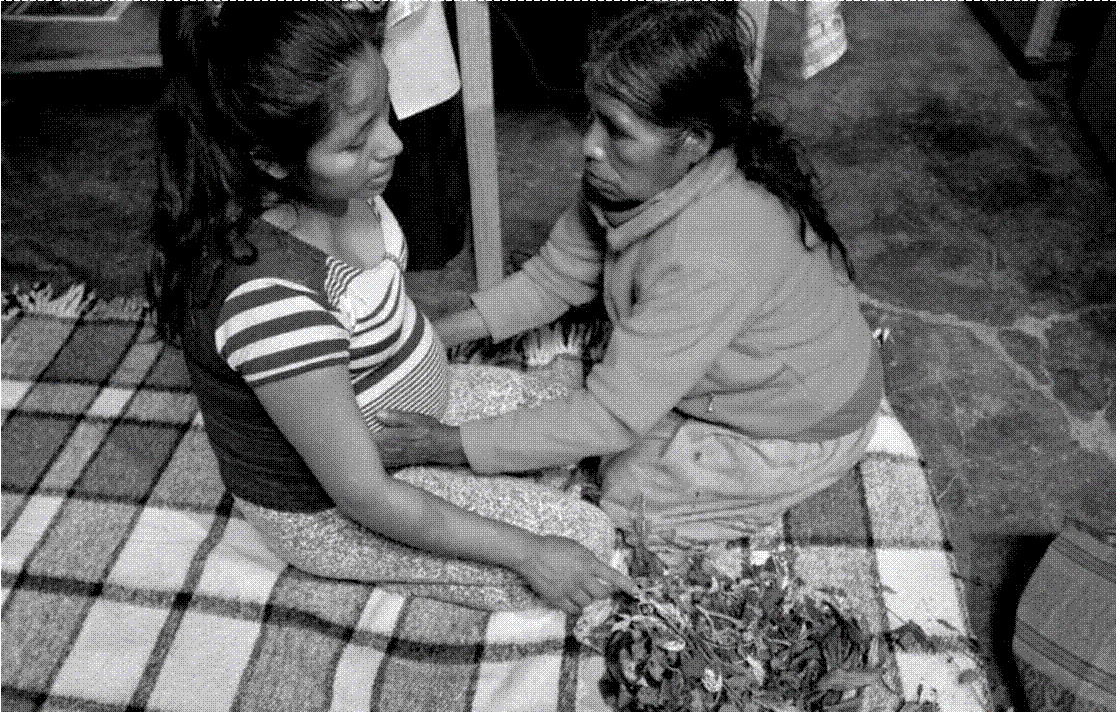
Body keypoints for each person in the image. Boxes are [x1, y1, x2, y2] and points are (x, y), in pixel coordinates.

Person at [146, 1, 635, 614]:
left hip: (406, 417)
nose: (393, 144)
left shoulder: (340, 186)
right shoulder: (272, 302)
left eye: (385, 112)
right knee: (582, 540)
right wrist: (529, 552)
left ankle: (470, 481)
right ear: (271, 160)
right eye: (356, 140)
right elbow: (364, 492)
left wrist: (442, 428)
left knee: (571, 416)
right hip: (335, 505)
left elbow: (378, 313)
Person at [373, 1, 884, 545]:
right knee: (593, 423)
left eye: (617, 131)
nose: (589, 145)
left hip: (800, 426)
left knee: (624, 497)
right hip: (738, 374)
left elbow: (609, 416)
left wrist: (448, 444)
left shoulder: (717, 246)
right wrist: (427, 334)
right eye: (592, 116)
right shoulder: (631, 178)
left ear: (694, 141)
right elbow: (553, 279)